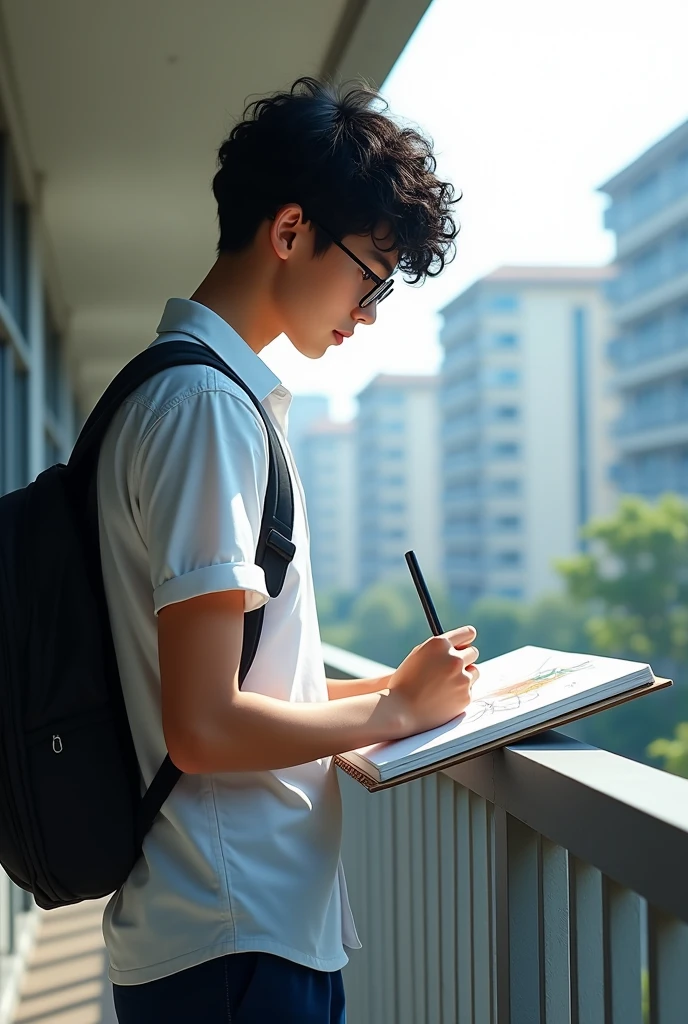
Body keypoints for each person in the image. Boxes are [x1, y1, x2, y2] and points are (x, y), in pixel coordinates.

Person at [98, 76, 479, 1024]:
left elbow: (241, 689)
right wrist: (392, 710)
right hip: (234, 940)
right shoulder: (205, 411)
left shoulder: (186, 395)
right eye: (370, 274)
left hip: (228, 934)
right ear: (290, 230)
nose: (372, 309)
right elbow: (203, 725)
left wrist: (400, 689)